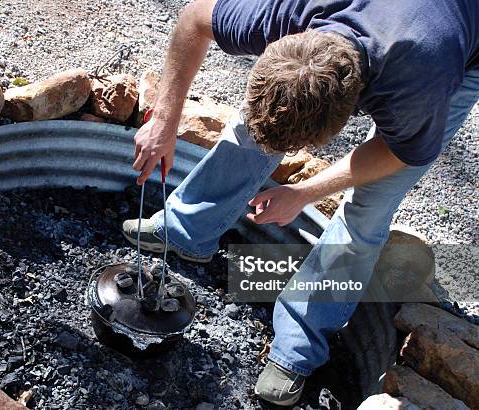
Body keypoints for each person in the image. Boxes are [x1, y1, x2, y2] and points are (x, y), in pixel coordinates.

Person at [122, 0, 478, 405]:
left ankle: (297, 346)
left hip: (460, 39)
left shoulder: (420, 80)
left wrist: (304, 193)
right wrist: (165, 120)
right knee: (252, 128)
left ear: (349, 114)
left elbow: (397, 153)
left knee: (369, 210)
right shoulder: (287, 14)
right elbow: (193, 18)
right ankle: (187, 230)